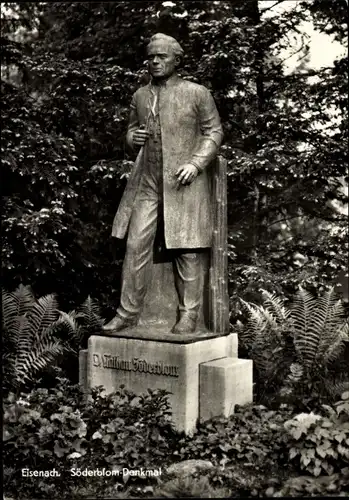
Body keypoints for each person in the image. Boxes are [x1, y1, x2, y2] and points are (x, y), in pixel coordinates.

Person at [104, 33, 223, 334]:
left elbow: (215, 133)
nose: (154, 62)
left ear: (177, 60)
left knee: (187, 250)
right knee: (134, 246)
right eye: (151, 57)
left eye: (162, 57)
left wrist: (196, 163)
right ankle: (127, 313)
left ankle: (189, 315)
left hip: (183, 184)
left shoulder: (197, 93)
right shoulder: (140, 96)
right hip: (147, 184)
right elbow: (130, 134)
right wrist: (133, 138)